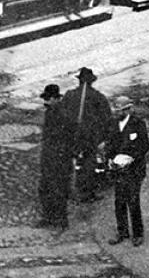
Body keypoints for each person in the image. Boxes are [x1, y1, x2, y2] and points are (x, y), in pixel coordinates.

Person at [59, 67, 113, 203]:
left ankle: (66, 191)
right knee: (89, 163)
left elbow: (61, 115)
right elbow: (107, 119)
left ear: (79, 81)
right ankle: (86, 193)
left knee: (68, 162)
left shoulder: (69, 95)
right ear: (91, 82)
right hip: (90, 137)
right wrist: (104, 138)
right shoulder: (98, 97)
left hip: (71, 135)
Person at [107, 96, 149, 247]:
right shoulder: (113, 124)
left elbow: (144, 146)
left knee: (133, 201)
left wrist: (131, 159)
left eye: (120, 110)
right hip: (118, 169)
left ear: (128, 109)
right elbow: (110, 144)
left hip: (134, 170)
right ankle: (122, 231)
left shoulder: (138, 124)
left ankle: (138, 234)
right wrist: (110, 159)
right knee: (119, 201)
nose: (117, 113)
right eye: (116, 110)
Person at [37, 84, 73, 231]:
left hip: (60, 160)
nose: (45, 102)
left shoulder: (63, 114)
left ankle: (61, 220)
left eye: (48, 99)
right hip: (49, 158)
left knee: (59, 190)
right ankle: (48, 217)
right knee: (45, 188)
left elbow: (69, 138)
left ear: (56, 99)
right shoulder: (50, 112)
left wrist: (62, 157)